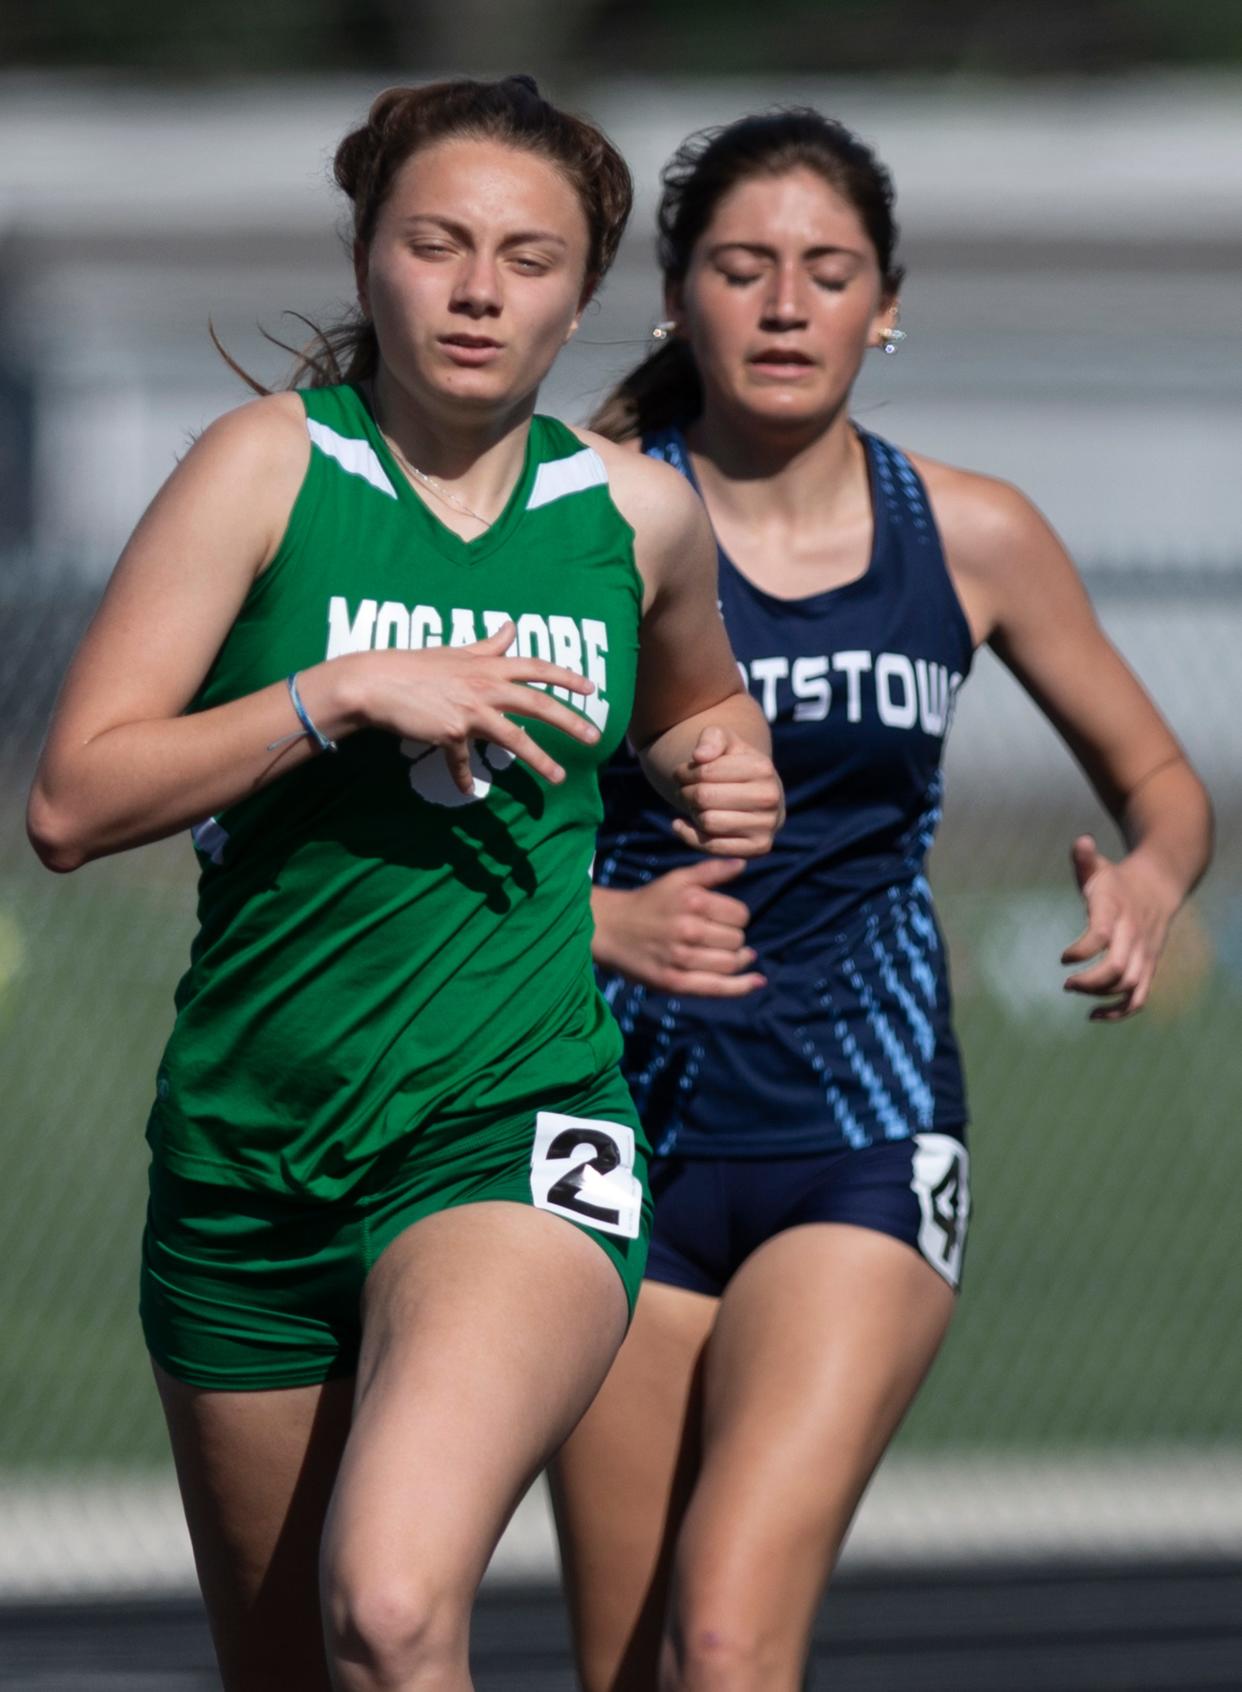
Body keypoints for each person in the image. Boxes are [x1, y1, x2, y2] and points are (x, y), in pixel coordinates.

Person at [25, 78, 783, 1692]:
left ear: (585, 296)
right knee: (294, 1661)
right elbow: (74, 800)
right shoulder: (262, 471)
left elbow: (700, 701)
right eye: (435, 243)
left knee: (390, 1601)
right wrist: (339, 694)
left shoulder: (635, 512)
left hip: (506, 1130)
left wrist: (726, 753)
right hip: (246, 1152)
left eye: (525, 256)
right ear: (369, 253)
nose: (476, 288)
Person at [548, 109, 1213, 1692]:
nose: (785, 306)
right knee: (629, 1663)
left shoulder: (967, 533)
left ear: (885, 303)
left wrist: (1151, 876)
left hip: (862, 1131)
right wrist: (590, 922)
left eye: (826, 272)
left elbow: (1162, 782)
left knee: (726, 1636)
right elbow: (436, 835)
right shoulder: (579, 517)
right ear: (674, 298)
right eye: (743, 268)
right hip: (598, 1124)